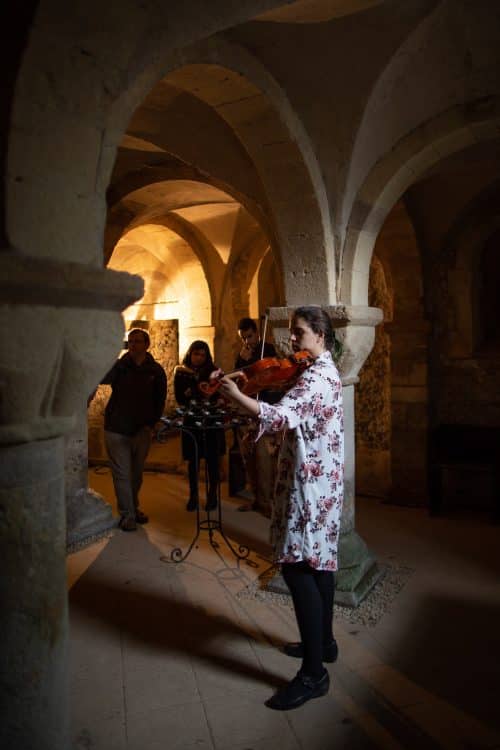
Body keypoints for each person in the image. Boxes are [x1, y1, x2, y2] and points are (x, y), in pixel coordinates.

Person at [218, 306, 343, 711]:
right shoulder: (313, 369)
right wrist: (248, 382)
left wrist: (239, 397)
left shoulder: (318, 379)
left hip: (310, 488)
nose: (292, 340)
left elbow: (284, 414)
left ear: (321, 336)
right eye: (291, 332)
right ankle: (323, 644)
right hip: (320, 482)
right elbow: (282, 392)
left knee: (297, 568)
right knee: (320, 564)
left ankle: (313, 675)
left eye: (300, 333)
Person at [102, 328, 167, 531]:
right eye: (130, 341)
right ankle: (127, 515)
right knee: (121, 474)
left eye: (138, 341)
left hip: (141, 430)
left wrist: (153, 424)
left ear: (147, 345)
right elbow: (103, 378)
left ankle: (133, 506)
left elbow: (160, 399)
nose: (133, 345)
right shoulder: (120, 366)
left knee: (136, 474)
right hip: (116, 428)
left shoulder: (155, 371)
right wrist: (114, 357)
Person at [233, 317, 280, 514]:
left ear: (257, 333)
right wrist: (242, 361)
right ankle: (256, 499)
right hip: (248, 410)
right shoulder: (243, 356)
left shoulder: (267, 350)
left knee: (263, 458)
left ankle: (267, 501)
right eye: (243, 338)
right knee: (249, 457)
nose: (247, 342)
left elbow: (274, 377)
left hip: (265, 408)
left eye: (250, 337)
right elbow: (239, 381)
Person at [174, 340, 226, 512]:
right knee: (193, 461)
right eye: (196, 353)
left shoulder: (214, 372)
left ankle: (212, 496)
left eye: (202, 354)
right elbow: (180, 398)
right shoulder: (181, 372)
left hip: (211, 419)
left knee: (213, 460)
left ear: (207, 356)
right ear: (190, 354)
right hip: (192, 419)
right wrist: (188, 394)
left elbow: (221, 394)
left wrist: (217, 399)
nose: (199, 358)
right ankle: (193, 496)